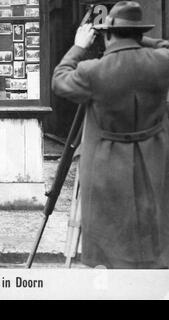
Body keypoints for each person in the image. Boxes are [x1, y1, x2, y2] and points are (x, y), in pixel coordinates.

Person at [52, 1, 169, 269]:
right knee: (152, 231)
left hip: (106, 166)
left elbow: (59, 79)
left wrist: (79, 46)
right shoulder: (161, 62)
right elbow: (164, 45)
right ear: (139, 34)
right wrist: (135, 36)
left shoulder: (93, 71)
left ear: (107, 35)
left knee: (110, 241)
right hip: (154, 160)